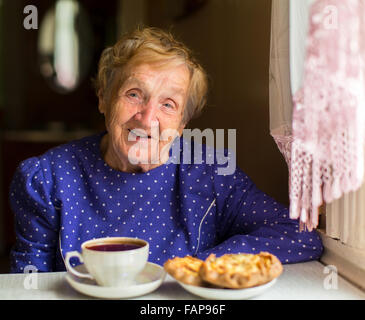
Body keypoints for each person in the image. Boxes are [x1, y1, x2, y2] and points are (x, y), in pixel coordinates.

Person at [9, 27, 323, 273]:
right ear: (104, 96)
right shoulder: (47, 179)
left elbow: (299, 234)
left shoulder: (211, 174)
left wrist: (201, 264)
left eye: (168, 105)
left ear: (182, 123)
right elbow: (29, 282)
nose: (147, 119)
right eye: (134, 94)